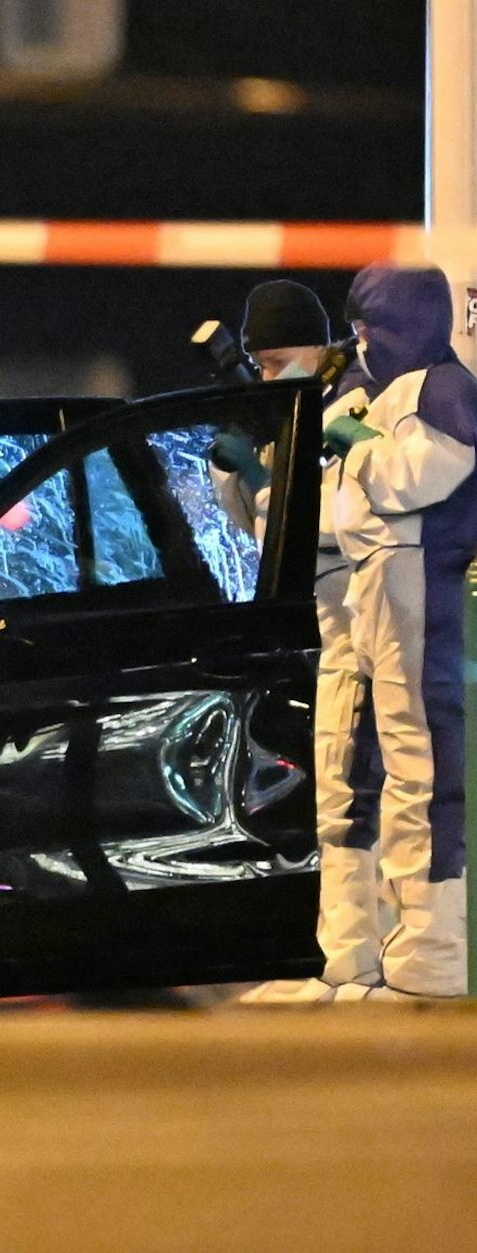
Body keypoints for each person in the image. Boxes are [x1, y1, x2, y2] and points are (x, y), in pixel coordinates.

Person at [220, 282, 389, 1004]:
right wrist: (240, 465)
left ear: (320, 348)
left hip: (362, 632)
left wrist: (265, 480)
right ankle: (341, 956)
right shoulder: (304, 408)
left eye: (278, 360)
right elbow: (254, 529)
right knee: (334, 797)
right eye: (258, 364)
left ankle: (355, 962)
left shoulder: (352, 404)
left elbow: (329, 518)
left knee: (354, 797)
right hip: (327, 636)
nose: (268, 375)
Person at [327, 264, 477, 1000]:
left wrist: (355, 442)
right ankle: (405, 938)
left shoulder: (440, 389)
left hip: (417, 579)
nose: (359, 343)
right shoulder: (404, 387)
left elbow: (417, 476)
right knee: (390, 764)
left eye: (368, 328)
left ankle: (434, 948)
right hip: (388, 580)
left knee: (422, 763)